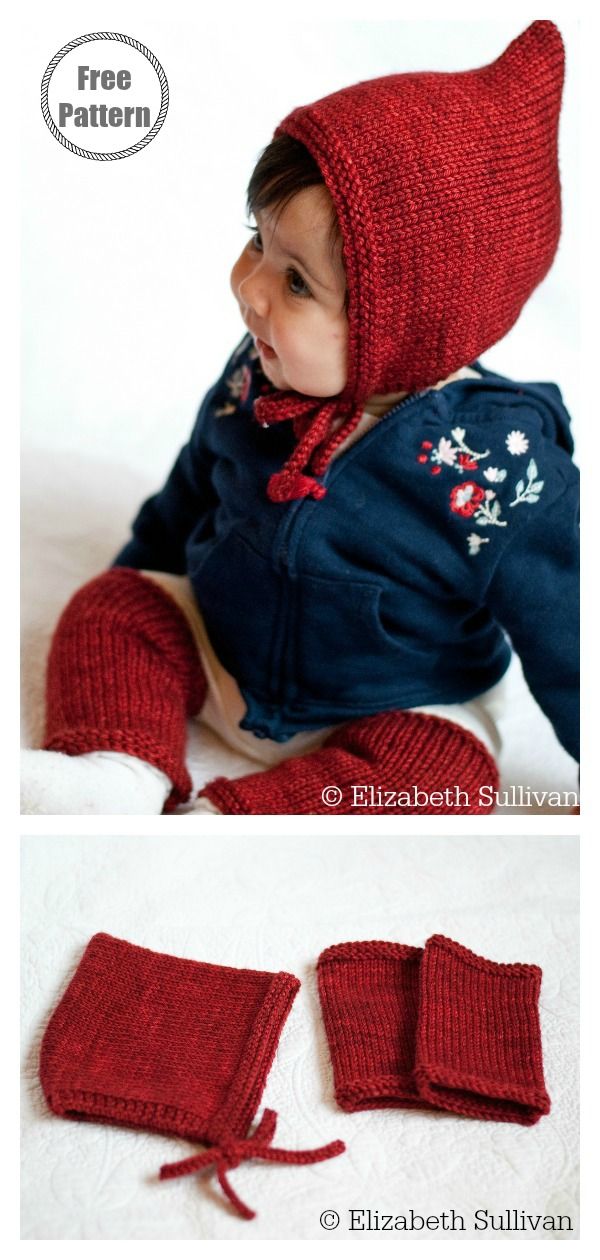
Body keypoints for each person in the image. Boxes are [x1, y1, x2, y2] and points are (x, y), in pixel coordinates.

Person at [21, 20, 579, 815]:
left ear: (409, 324)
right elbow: (191, 489)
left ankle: (240, 813)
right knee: (112, 607)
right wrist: (140, 581)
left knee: (441, 776)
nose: (250, 288)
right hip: (227, 651)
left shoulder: (503, 470)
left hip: (397, 697)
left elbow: (571, 638)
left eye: (297, 284)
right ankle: (117, 772)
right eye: (258, 242)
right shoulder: (259, 369)